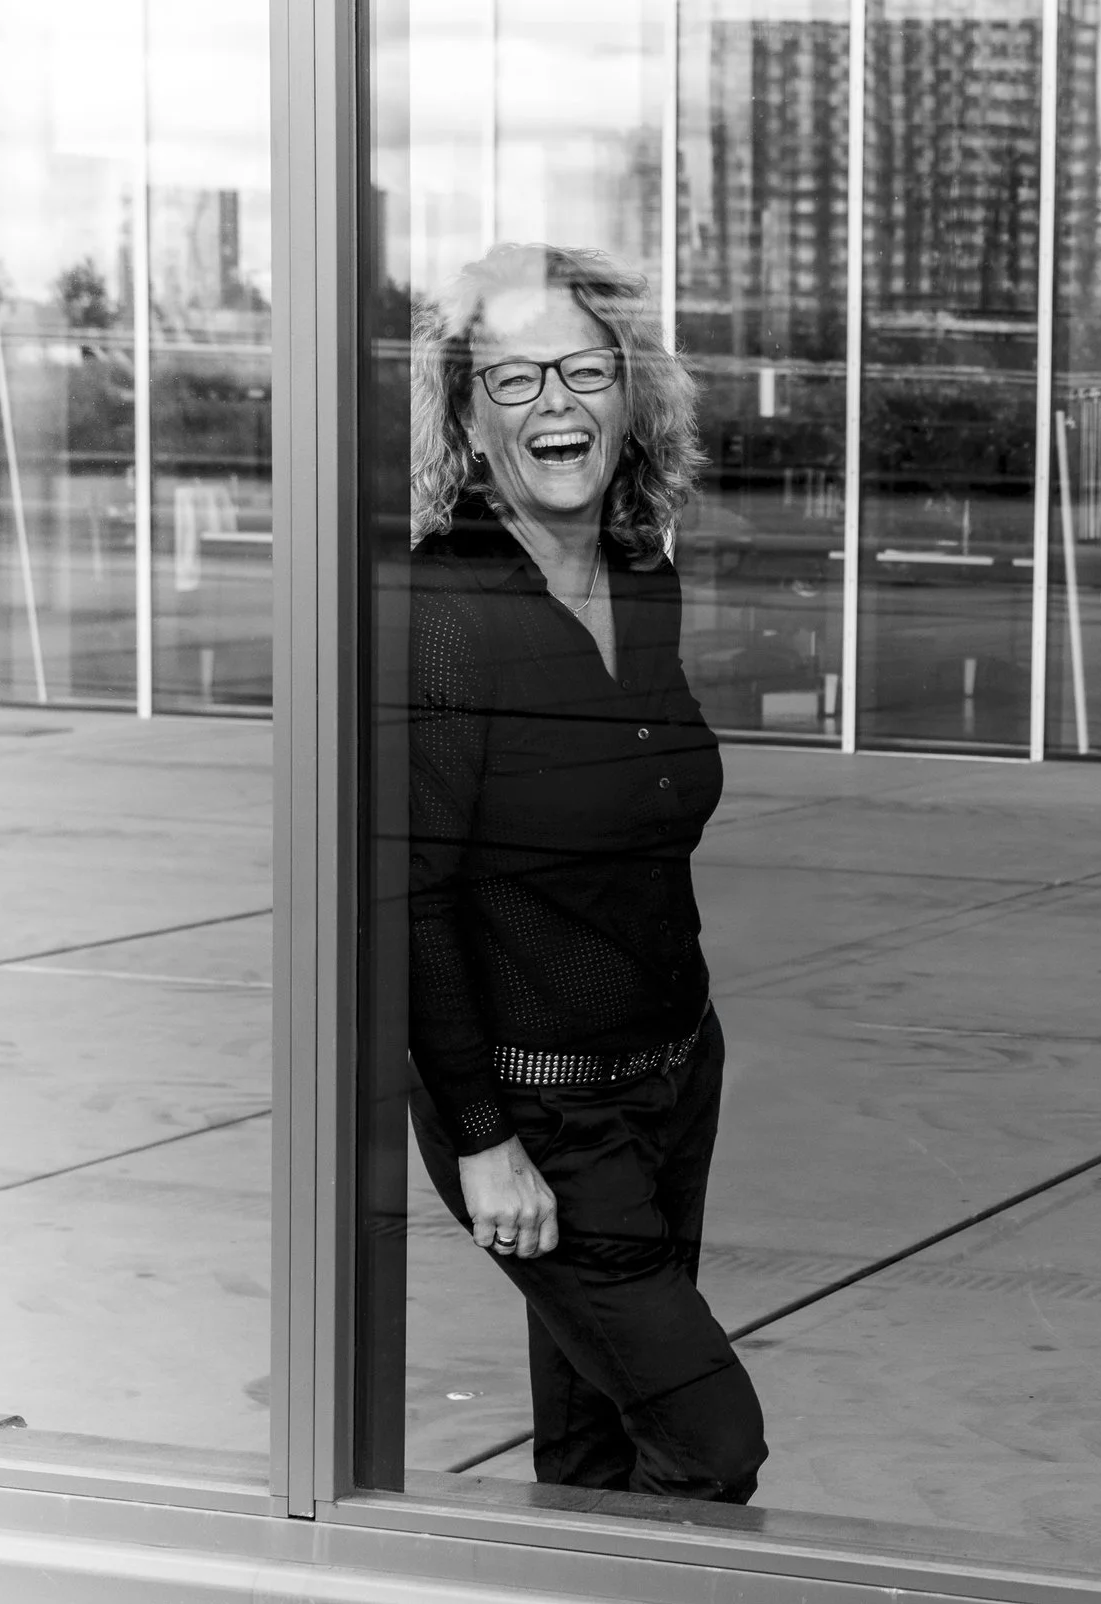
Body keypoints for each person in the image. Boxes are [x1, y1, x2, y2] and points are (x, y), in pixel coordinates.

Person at [405, 242, 764, 1503]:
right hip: (540, 1118)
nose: (553, 402)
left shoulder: (641, 571)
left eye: (580, 368)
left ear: (629, 389)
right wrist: (484, 1140)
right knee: (708, 1440)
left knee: (599, 1443)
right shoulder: (446, 614)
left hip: (670, 1078)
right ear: (466, 416)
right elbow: (412, 904)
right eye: (511, 380)